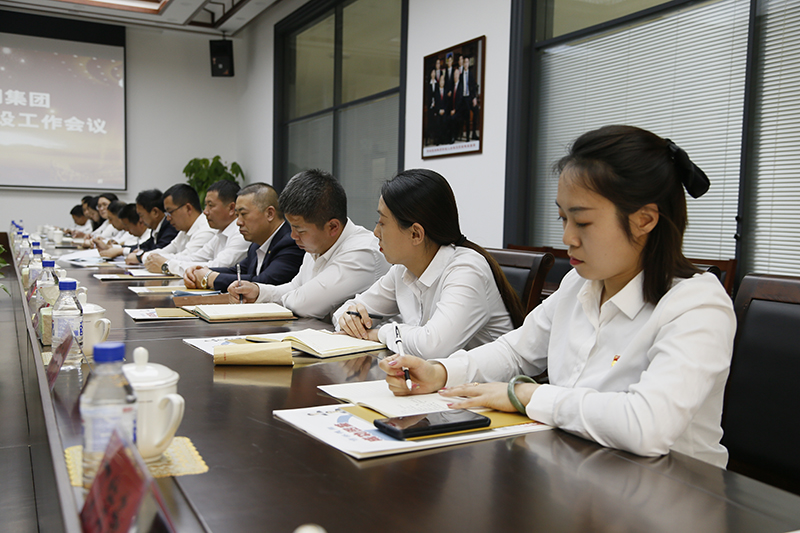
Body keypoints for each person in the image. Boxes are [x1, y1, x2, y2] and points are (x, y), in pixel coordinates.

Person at [380, 125, 736, 467]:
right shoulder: (579, 285)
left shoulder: (697, 305)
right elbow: (516, 351)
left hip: (672, 490)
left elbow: (646, 426)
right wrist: (440, 372)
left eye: (582, 222)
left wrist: (523, 395)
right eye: (563, 218)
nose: (567, 238)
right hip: (578, 467)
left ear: (644, 219)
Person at [334, 169, 523, 359]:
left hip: (489, 378)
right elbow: (349, 309)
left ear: (415, 234)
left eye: (382, 223)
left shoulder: (467, 270)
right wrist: (350, 318)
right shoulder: (403, 269)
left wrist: (381, 333)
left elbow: (433, 347)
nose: (375, 232)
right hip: (433, 374)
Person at [229, 169, 389, 320]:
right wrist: (258, 291)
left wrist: (271, 297)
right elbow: (295, 286)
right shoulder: (317, 245)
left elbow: (303, 304)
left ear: (333, 227)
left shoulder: (362, 252)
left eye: (300, 230)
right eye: (291, 227)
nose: (292, 236)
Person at [187, 183, 303, 292]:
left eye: (243, 214)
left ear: (270, 214)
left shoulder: (291, 243)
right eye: (237, 215)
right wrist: (199, 271)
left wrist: (211, 278)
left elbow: (264, 282)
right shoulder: (255, 245)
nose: (238, 222)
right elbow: (236, 271)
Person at [156, 180, 249, 277]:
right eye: (205, 205)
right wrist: (158, 260)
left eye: (211, 205)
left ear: (231, 208)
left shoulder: (241, 233)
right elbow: (194, 258)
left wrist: (168, 265)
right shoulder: (220, 233)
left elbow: (217, 267)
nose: (205, 212)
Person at [142, 184, 216, 274]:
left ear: (188, 208)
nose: (168, 218)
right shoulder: (183, 231)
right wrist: (147, 256)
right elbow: (165, 251)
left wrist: (163, 262)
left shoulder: (206, 229)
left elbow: (188, 259)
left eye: (170, 212)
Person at [127, 189, 179, 264]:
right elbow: (146, 246)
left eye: (141, 215)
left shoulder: (171, 227)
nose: (140, 220)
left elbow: (160, 251)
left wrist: (140, 256)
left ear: (155, 212)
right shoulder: (156, 228)